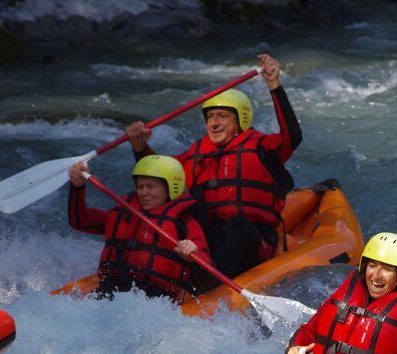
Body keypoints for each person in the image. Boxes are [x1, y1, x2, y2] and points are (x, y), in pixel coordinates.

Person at [126, 54, 302, 279]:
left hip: (254, 241)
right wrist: (140, 147)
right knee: (173, 217)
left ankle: (210, 284)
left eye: (222, 116)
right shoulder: (197, 153)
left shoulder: (262, 147)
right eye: (210, 117)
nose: (214, 123)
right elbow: (160, 177)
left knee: (236, 225)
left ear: (241, 120)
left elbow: (292, 136)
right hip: (207, 243)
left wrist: (274, 86)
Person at [67, 155, 213, 301]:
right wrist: (78, 186)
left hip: (157, 299)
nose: (143, 192)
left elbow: (208, 275)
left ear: (171, 187)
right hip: (112, 288)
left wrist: (192, 254)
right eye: (140, 187)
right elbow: (80, 221)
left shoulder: (184, 224)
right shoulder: (123, 213)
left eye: (150, 186)